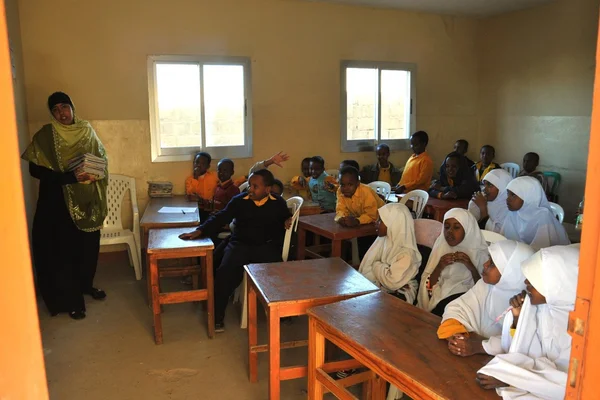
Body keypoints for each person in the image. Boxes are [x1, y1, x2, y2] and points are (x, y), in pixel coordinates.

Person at [21, 92, 108, 320]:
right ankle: (71, 301)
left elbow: (101, 157)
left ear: (72, 107)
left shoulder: (86, 129)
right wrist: (69, 177)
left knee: (87, 247)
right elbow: (34, 170)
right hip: (56, 203)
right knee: (63, 251)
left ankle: (85, 286)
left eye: (64, 107)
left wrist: (96, 171)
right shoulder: (45, 135)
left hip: (86, 198)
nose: (62, 113)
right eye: (56, 110)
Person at [179, 169, 291, 332]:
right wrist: (200, 230)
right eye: (250, 185)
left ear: (267, 190)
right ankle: (217, 316)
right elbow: (222, 216)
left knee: (280, 274)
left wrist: (287, 220)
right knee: (225, 272)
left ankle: (284, 313)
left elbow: (285, 216)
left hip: (266, 246)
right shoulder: (240, 200)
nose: (250, 189)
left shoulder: (278, 202)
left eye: (255, 186)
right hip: (241, 244)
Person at [476, 245, 579, 399]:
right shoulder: (543, 308)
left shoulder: (581, 328)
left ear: (556, 284)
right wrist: (517, 317)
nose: (525, 282)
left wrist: (511, 379)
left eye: (534, 279)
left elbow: (568, 385)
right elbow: (524, 350)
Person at [439, 240, 535, 356]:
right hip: (467, 352)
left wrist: (479, 346)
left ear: (511, 271)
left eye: (493, 263)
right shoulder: (486, 286)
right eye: (489, 259)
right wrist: (457, 334)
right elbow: (457, 307)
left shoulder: (529, 302)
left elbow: (519, 343)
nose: (485, 264)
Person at [417, 208, 488, 317]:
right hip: (438, 298)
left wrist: (471, 267)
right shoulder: (441, 246)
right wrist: (439, 266)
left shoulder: (480, 253)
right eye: (446, 227)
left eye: (456, 227)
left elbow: (483, 291)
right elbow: (428, 286)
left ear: (467, 229)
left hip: (465, 302)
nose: (450, 232)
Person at [359, 203, 422, 303]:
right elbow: (367, 269)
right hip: (386, 288)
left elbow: (392, 282)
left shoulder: (407, 253)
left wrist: (376, 265)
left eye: (380, 220)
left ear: (394, 224)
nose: (376, 223)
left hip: (400, 295)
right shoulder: (383, 241)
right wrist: (384, 271)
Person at [501, 177, 569, 250]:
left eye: (513, 195)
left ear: (528, 196)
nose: (508, 199)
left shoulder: (543, 216)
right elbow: (503, 238)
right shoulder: (514, 212)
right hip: (524, 253)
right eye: (508, 194)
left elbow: (540, 249)